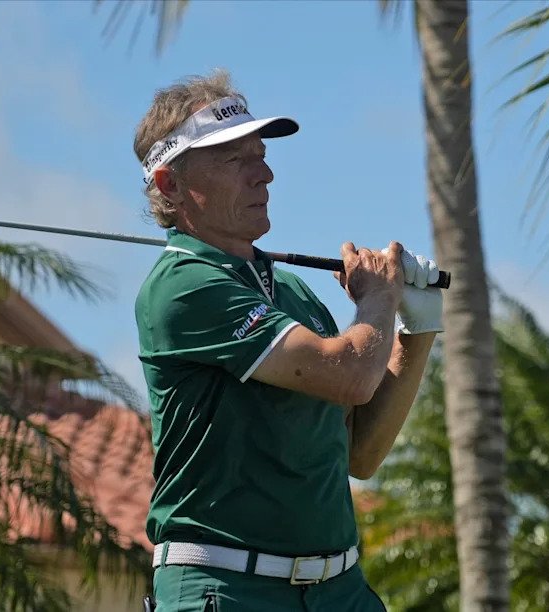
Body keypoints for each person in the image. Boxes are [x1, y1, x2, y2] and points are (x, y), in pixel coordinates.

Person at [133, 70, 443, 612]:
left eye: (261, 155)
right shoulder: (182, 287)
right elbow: (347, 374)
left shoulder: (291, 291)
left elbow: (360, 453)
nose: (265, 174)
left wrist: (416, 328)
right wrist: (378, 301)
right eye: (235, 160)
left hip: (340, 590)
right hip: (227, 589)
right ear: (170, 185)